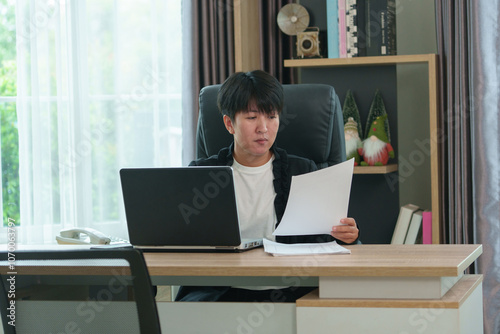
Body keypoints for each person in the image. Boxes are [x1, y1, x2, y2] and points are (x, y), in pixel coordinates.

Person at [176, 70, 359, 302]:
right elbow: (181, 241)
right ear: (229, 124)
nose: (263, 128)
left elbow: (326, 240)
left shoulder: (303, 171)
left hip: (288, 292)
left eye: (271, 117)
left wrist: (347, 234)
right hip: (220, 290)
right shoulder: (201, 175)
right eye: (252, 118)